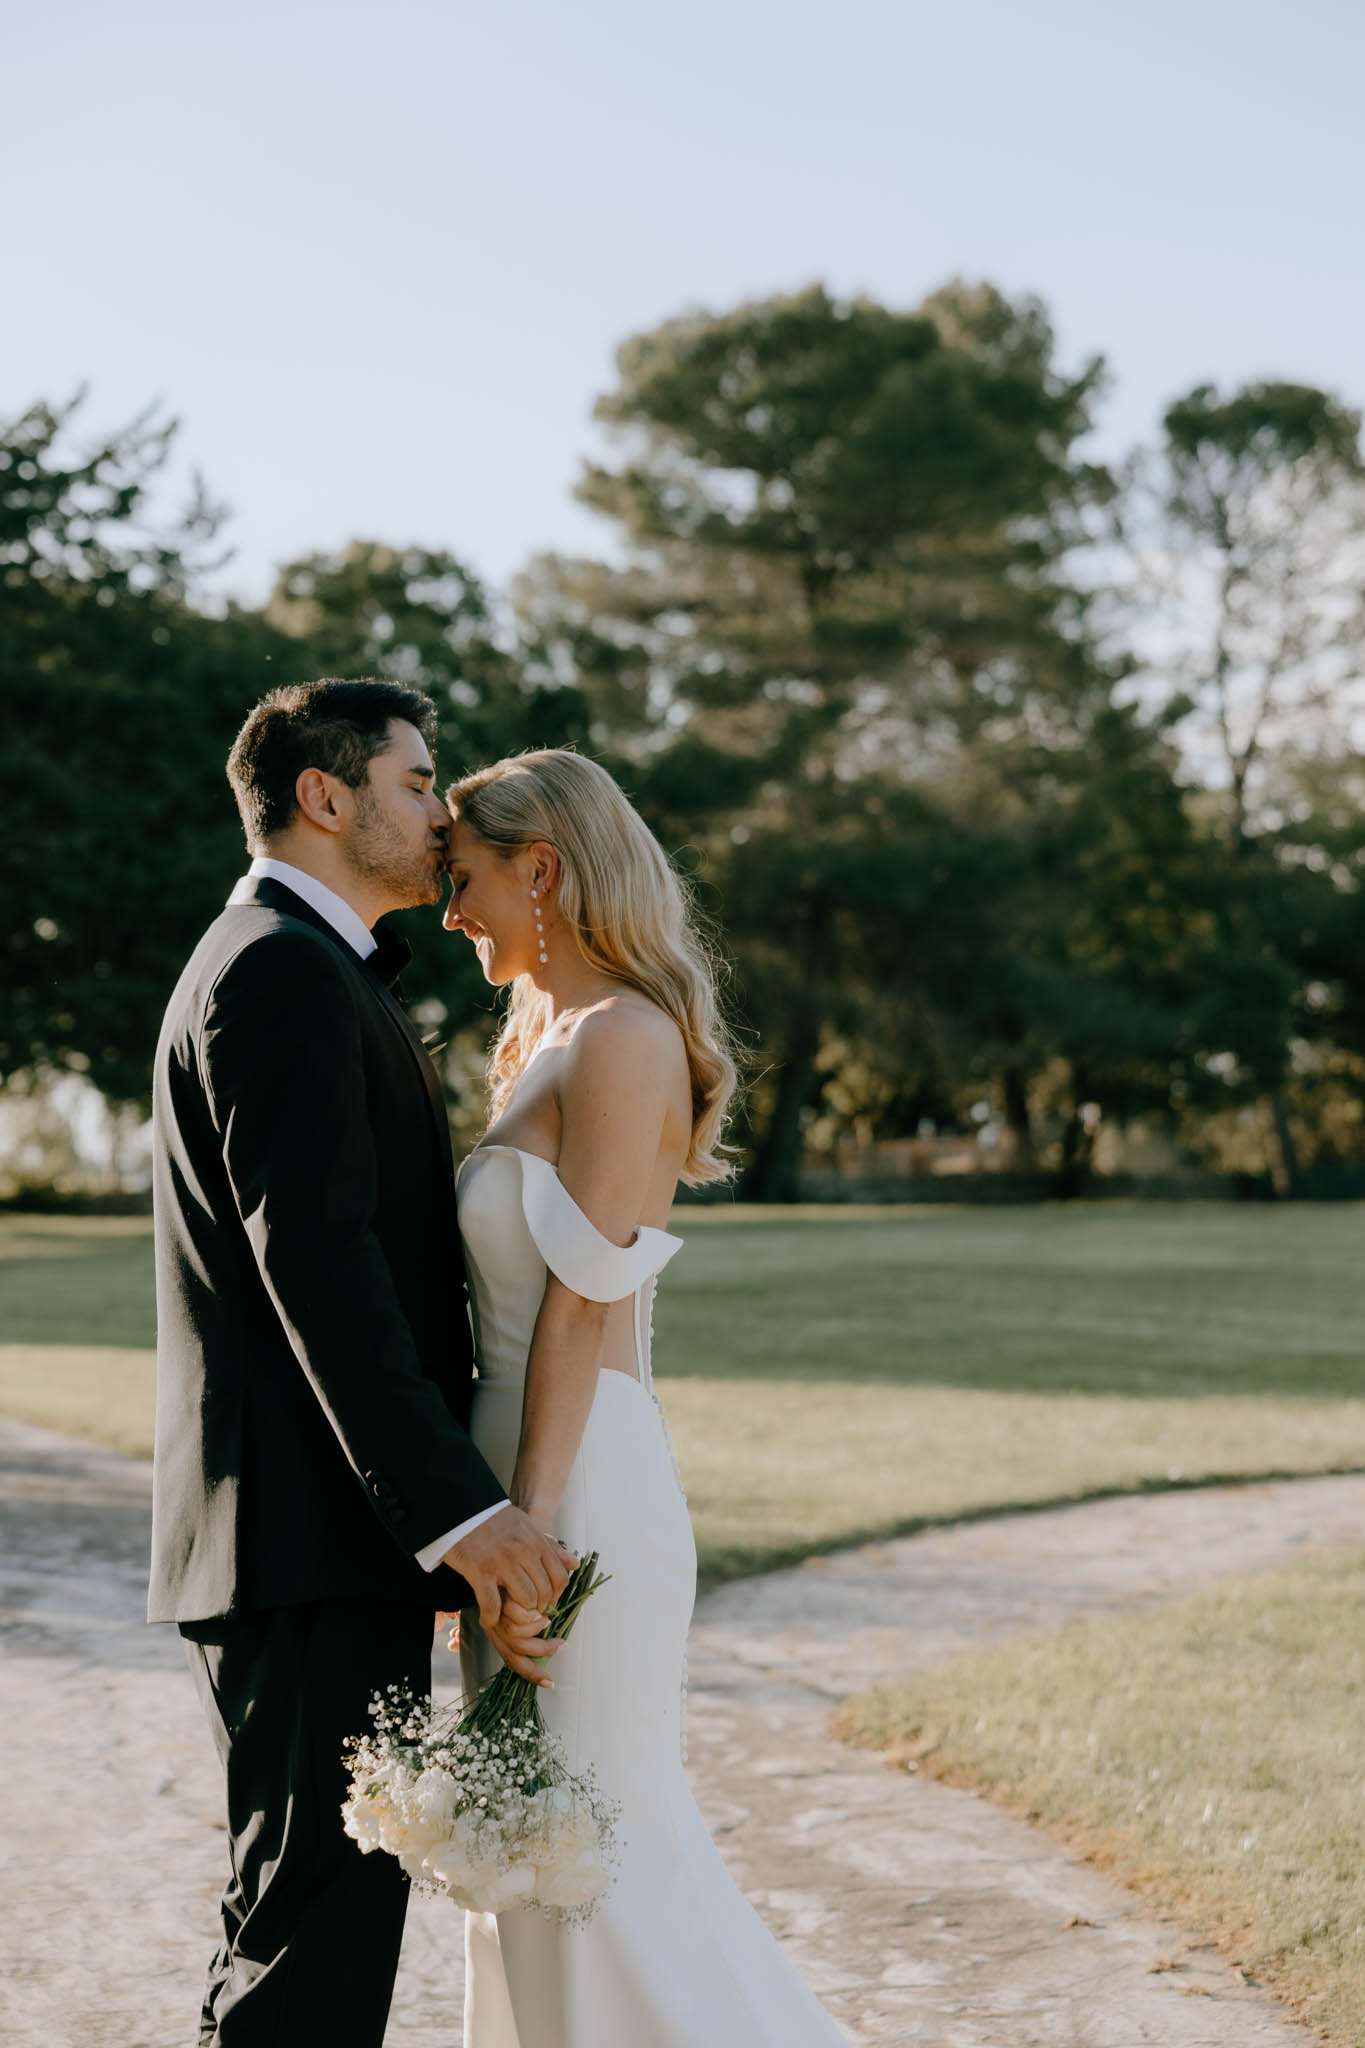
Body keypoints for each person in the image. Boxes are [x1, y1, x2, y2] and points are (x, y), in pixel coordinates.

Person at [148, 678, 577, 2046]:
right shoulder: (278, 969)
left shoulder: (294, 963)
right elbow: (319, 1276)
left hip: (315, 1544)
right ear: (322, 798)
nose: (439, 812)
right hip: (306, 1543)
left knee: (299, 1931)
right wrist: (456, 1512)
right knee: (306, 1961)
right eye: (413, 781)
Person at [443, 747, 847, 2045]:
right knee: (526, 1856)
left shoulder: (623, 1039)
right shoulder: (543, 1042)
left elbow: (583, 1305)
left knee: (599, 1848)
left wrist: (530, 1533)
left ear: (540, 870)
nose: (452, 915)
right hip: (516, 1486)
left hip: (576, 1491)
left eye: (465, 882)